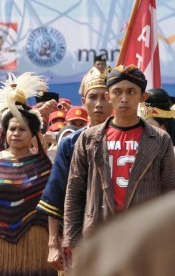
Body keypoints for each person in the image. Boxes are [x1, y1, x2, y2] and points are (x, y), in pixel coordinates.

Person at [63, 65, 175, 267]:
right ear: (108, 96)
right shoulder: (89, 139)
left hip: (145, 236)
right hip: (98, 233)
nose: (124, 98)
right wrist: (72, 242)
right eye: (117, 92)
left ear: (143, 96)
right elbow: (74, 192)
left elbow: (170, 193)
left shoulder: (160, 139)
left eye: (131, 92)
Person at [0, 72, 55, 275]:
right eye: (12, 129)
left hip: (34, 243)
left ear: (33, 135)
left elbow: (51, 208)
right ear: (5, 133)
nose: (16, 133)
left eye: (22, 129)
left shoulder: (44, 167)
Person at [37, 65, 113, 271]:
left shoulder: (130, 140)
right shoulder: (70, 143)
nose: (99, 104)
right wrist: (53, 243)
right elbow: (55, 194)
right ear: (83, 102)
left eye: (105, 97)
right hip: (80, 238)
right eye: (93, 97)